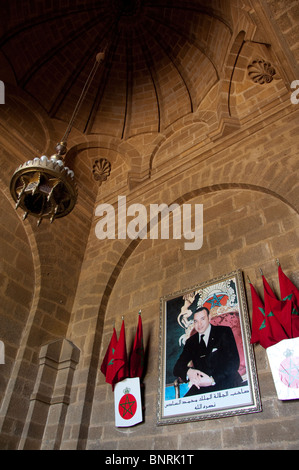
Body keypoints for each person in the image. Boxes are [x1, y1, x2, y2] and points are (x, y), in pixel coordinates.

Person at [173, 307, 243, 396]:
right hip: (202, 386)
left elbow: (233, 363)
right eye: (196, 321)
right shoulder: (191, 342)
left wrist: (212, 380)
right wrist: (189, 372)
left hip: (226, 380)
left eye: (202, 319)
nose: (199, 324)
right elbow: (177, 368)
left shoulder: (224, 332)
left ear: (209, 318)